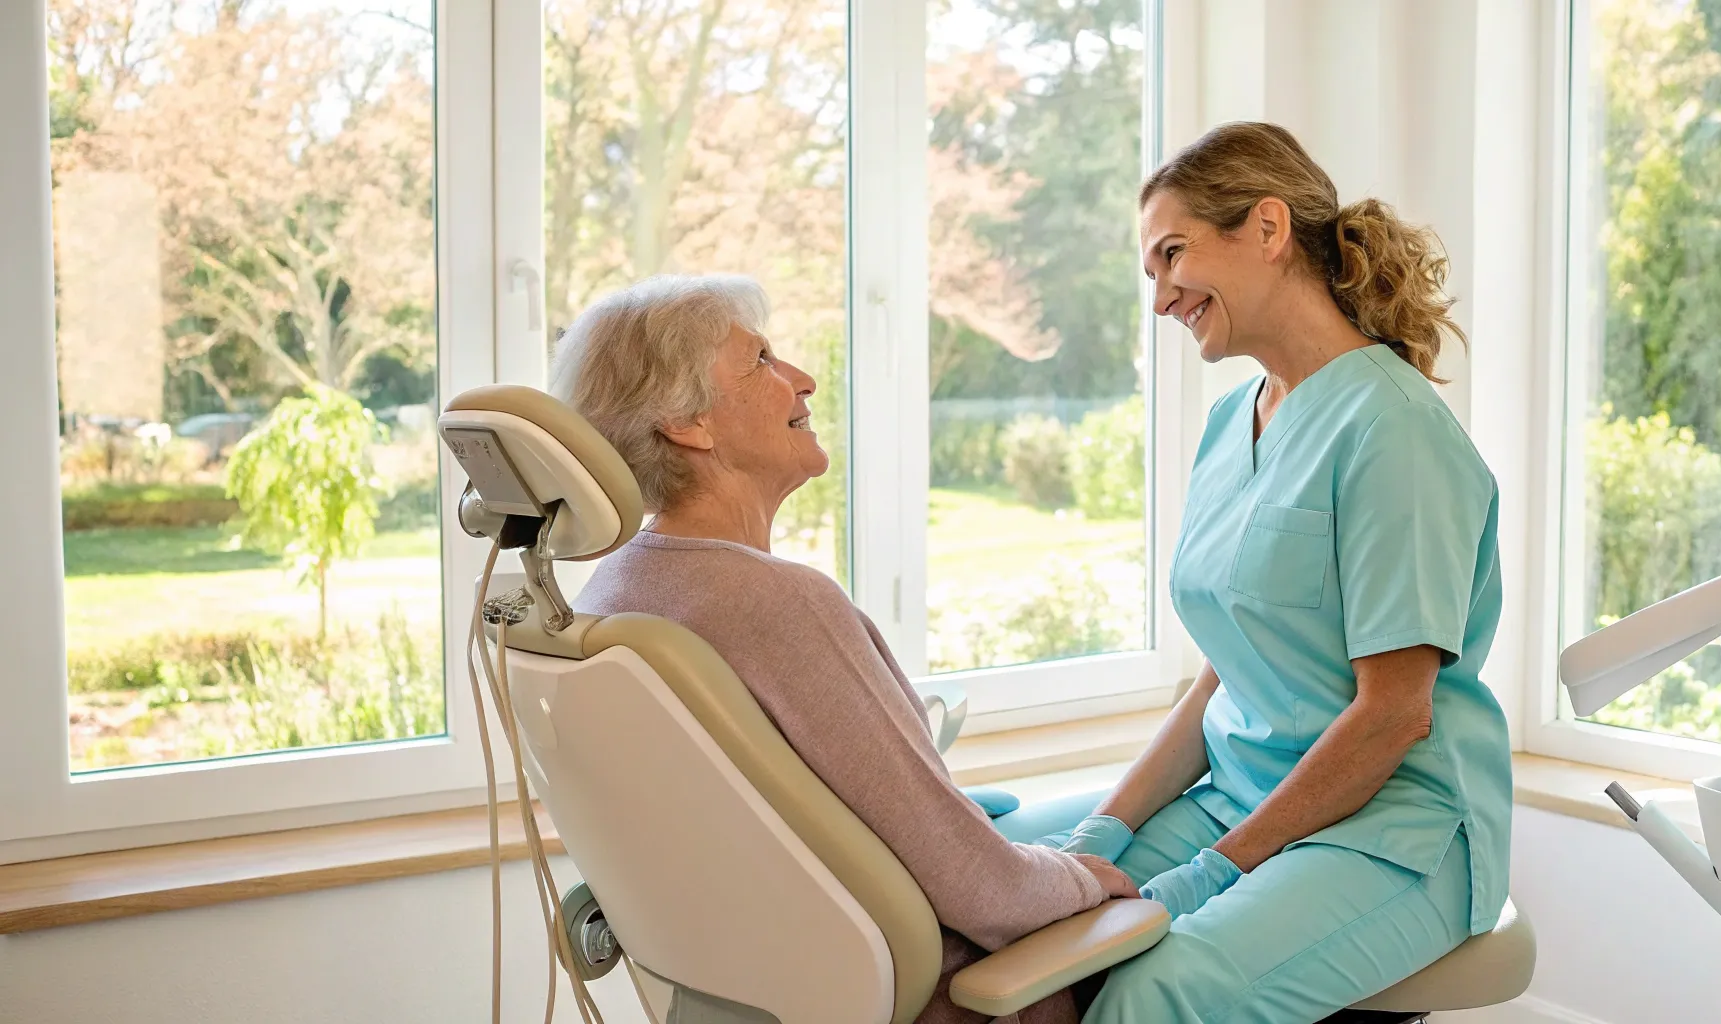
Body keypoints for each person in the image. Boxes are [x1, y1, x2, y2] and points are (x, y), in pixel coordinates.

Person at [1010, 121, 1513, 1023]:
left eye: (1174, 256)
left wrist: (1213, 872)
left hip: (1392, 832)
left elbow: (1392, 714)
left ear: (1269, 230)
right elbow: (1229, 672)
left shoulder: (1391, 432)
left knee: (1155, 985)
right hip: (1241, 795)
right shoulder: (1233, 421)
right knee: (1011, 893)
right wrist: (1105, 835)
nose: (1161, 297)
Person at [554, 275, 1138, 1024]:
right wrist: (1089, 882)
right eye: (762, 361)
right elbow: (987, 895)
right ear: (686, 422)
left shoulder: (613, 591)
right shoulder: (776, 603)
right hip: (947, 997)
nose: (803, 379)